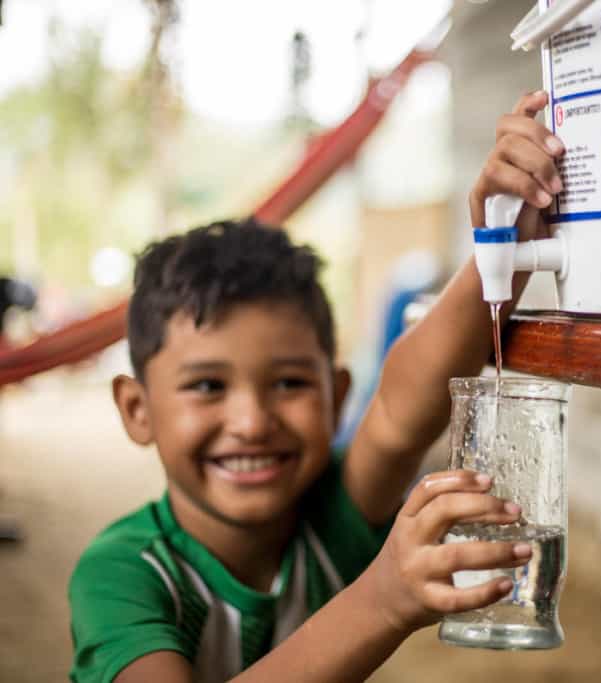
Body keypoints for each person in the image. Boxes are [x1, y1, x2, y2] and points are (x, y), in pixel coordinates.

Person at [67, 90, 565, 682]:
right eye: (206, 386)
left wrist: (502, 243)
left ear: (336, 397)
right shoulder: (123, 574)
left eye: (288, 382)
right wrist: (380, 601)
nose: (252, 422)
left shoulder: (333, 517)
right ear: (137, 409)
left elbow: (402, 410)